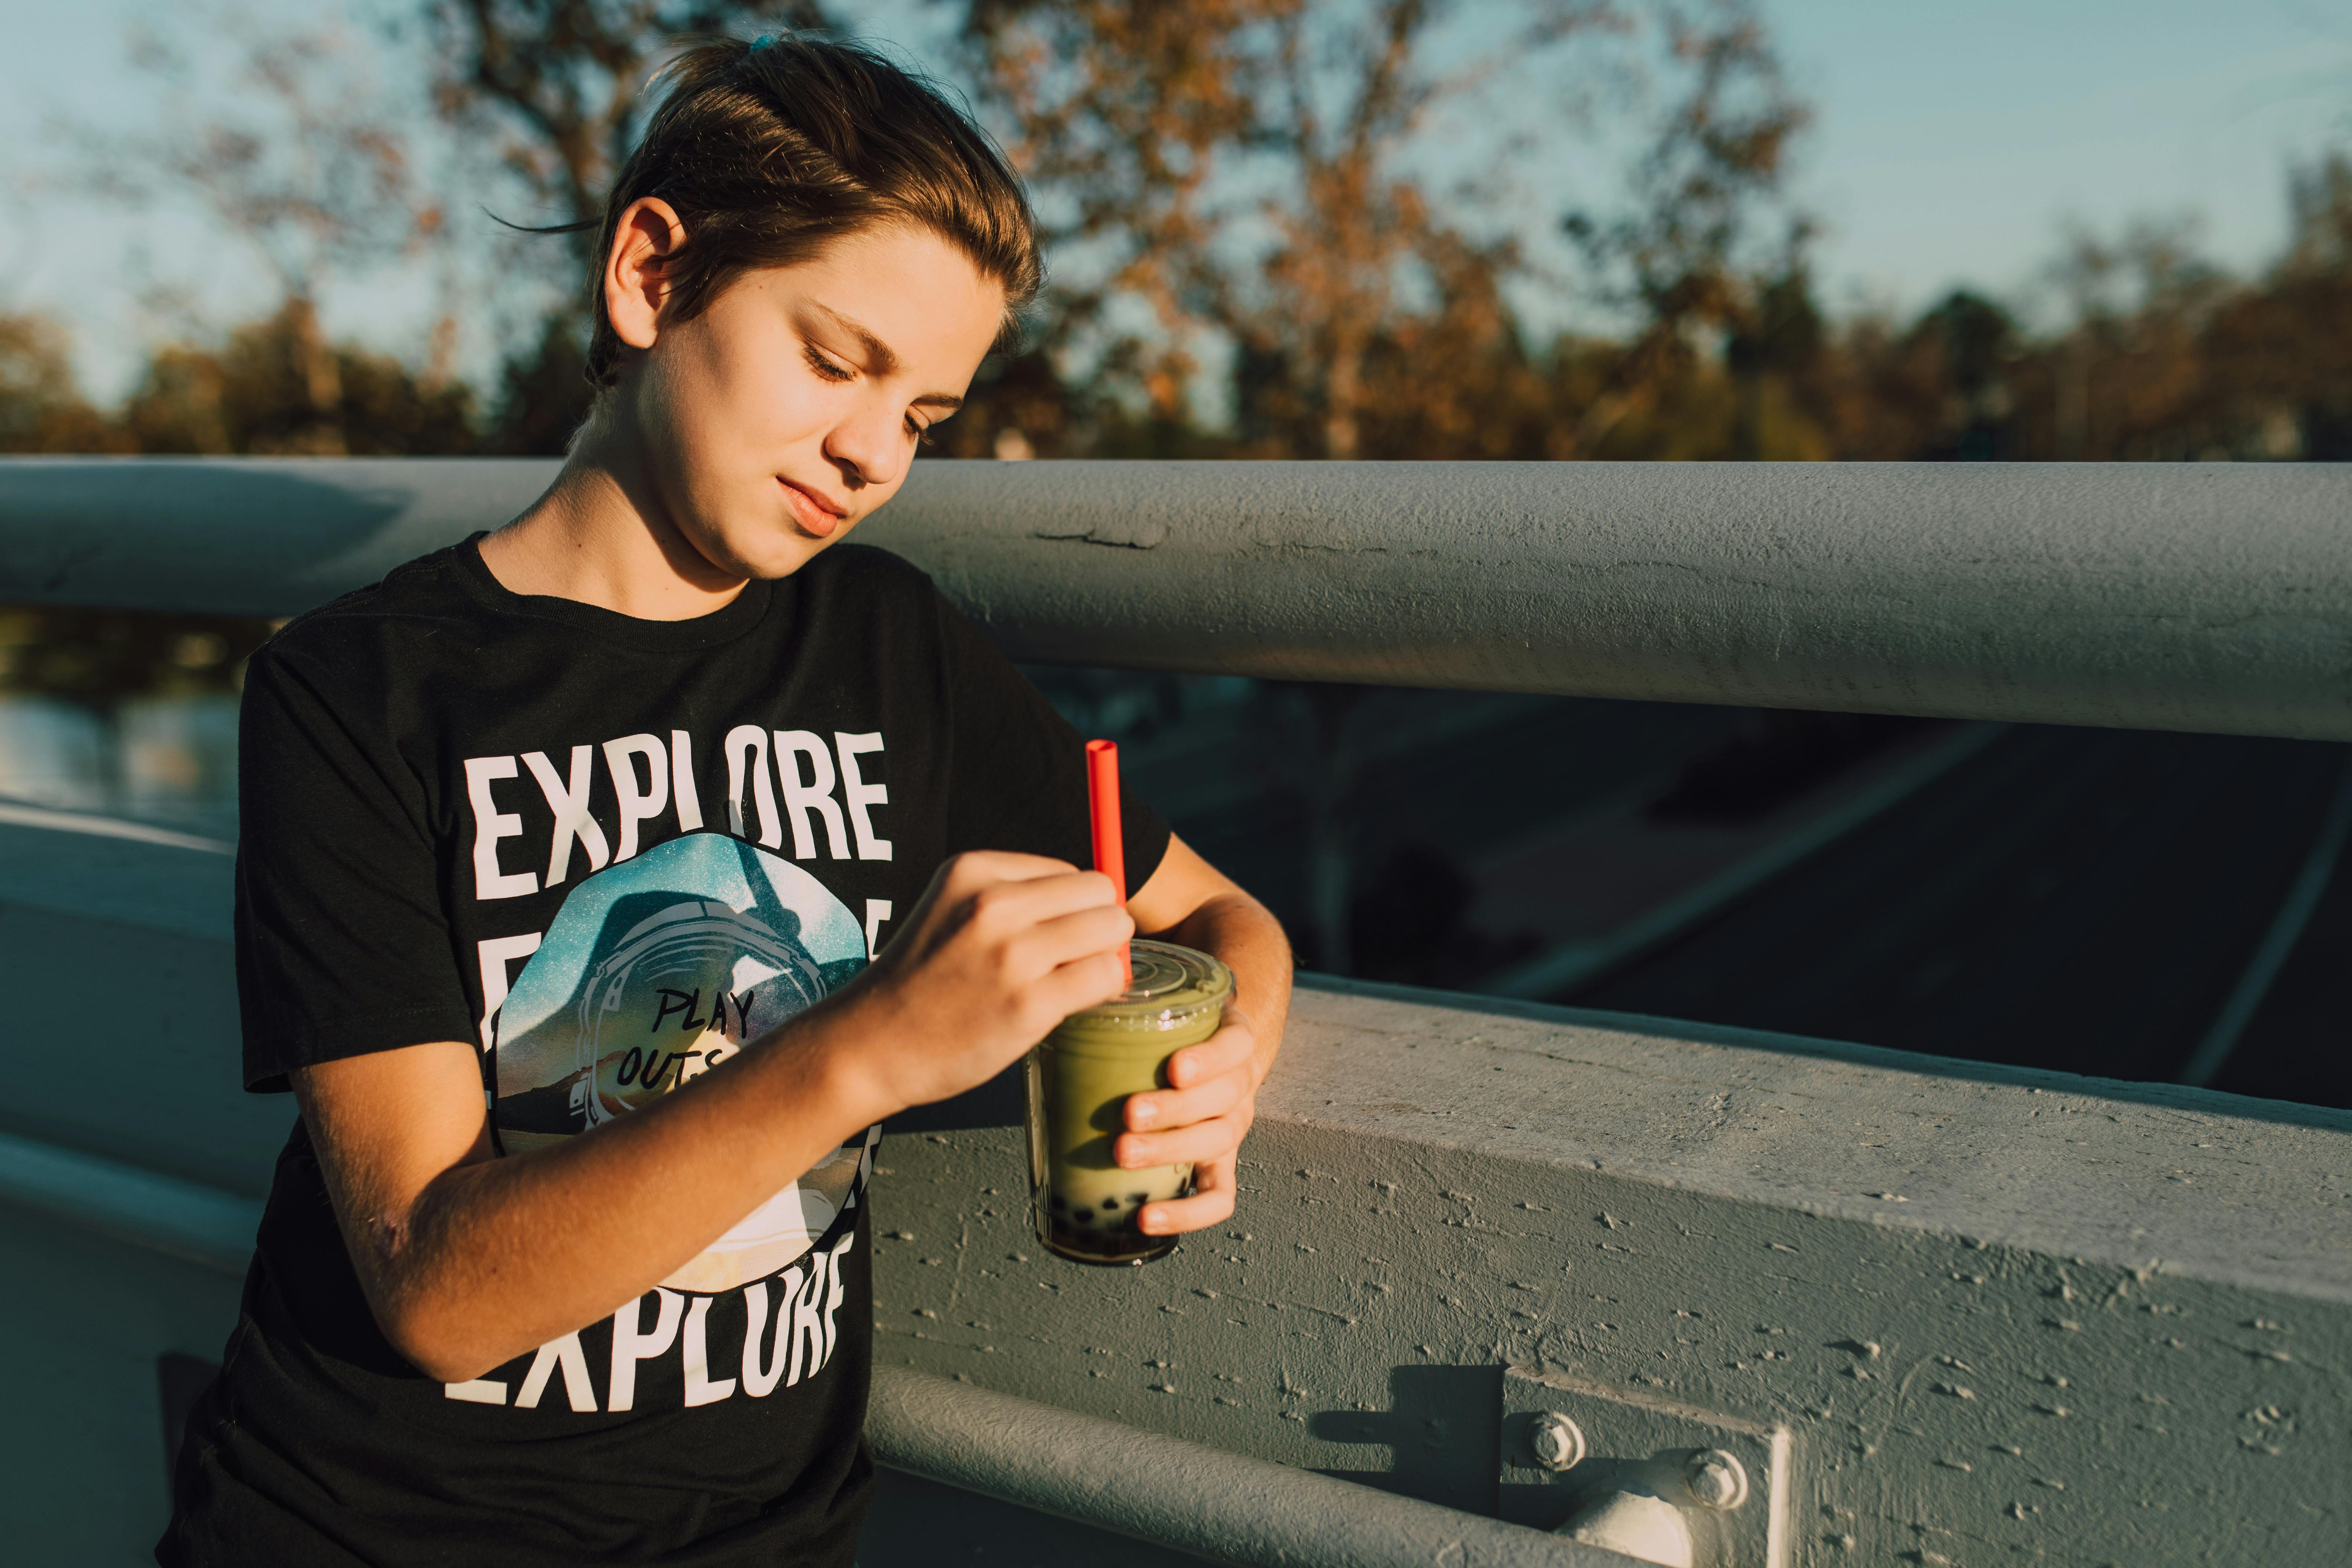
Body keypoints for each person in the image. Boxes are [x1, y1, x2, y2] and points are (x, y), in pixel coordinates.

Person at [159, 32, 1291, 1567]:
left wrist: (1229, 1050)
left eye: (926, 418)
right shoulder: (358, 693)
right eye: (837, 362)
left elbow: (1219, 913)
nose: (870, 454)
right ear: (650, 274)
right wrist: (866, 1046)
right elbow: (438, 1292)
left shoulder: (891, 645)